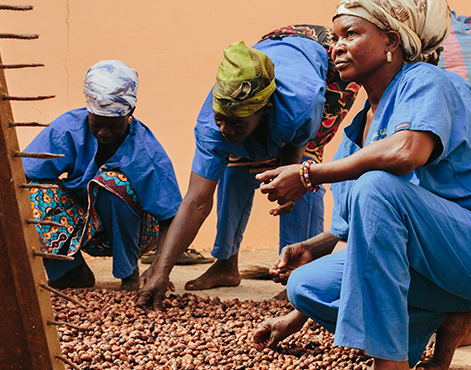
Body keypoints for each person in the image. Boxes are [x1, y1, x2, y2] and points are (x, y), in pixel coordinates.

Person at [252, 0, 471, 370]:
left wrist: (308, 174)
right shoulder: (361, 127)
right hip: (449, 254)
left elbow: (407, 154)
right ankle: (448, 311)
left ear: (392, 42)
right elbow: (357, 229)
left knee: (377, 185)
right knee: (307, 286)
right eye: (334, 38)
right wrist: (313, 253)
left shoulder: (429, 83)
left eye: (351, 34)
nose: (336, 47)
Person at [137, 27, 359, 307]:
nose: (225, 129)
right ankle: (226, 264)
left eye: (237, 123)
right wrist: (161, 270)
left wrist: (289, 178)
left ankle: (299, 276)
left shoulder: (301, 105)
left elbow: (295, 147)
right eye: (221, 119)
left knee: (304, 174)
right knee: (234, 166)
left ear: (265, 109)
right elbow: (196, 202)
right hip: (274, 44)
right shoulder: (212, 125)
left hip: (322, 61)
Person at [22, 60, 182, 290]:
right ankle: (70, 271)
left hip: (136, 233)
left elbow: (170, 217)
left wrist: (160, 267)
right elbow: (23, 175)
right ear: (88, 112)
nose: (104, 133)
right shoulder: (68, 128)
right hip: (82, 226)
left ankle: (129, 275)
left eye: (113, 127)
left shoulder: (146, 149)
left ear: (130, 113)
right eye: (97, 124)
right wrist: (32, 228)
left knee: (111, 183)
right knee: (34, 191)